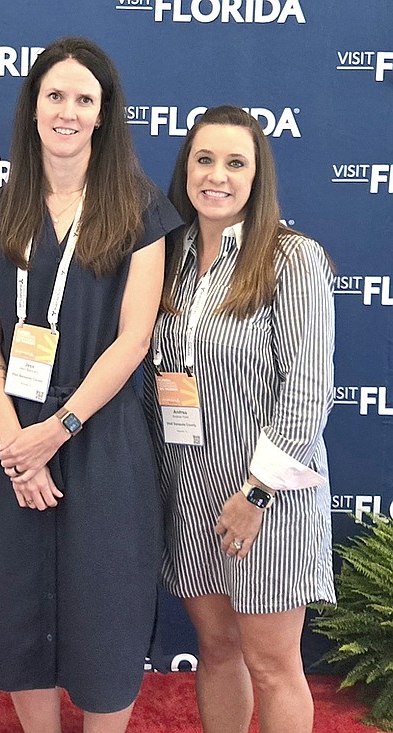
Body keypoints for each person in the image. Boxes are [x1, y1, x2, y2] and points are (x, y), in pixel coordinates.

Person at [0, 37, 183, 733]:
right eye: (54, 95)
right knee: (20, 612)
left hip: (103, 438)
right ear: (33, 108)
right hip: (12, 438)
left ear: (103, 114)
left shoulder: (140, 211)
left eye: (83, 99)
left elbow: (135, 339)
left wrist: (55, 432)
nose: (67, 111)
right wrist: (14, 444)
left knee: (106, 615)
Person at [145, 105, 335, 733]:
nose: (217, 176)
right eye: (204, 159)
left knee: (273, 662)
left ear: (258, 177)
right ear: (186, 168)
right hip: (190, 489)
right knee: (218, 651)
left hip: (266, 498)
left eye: (235, 162)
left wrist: (255, 494)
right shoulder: (166, 260)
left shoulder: (292, 258)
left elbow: (308, 394)